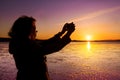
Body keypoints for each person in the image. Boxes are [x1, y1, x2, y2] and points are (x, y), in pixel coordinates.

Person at [8, 15, 75, 80]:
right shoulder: (26, 46)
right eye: (34, 29)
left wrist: (62, 32)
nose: (36, 32)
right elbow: (54, 47)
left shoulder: (22, 43)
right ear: (27, 31)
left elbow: (46, 42)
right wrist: (68, 33)